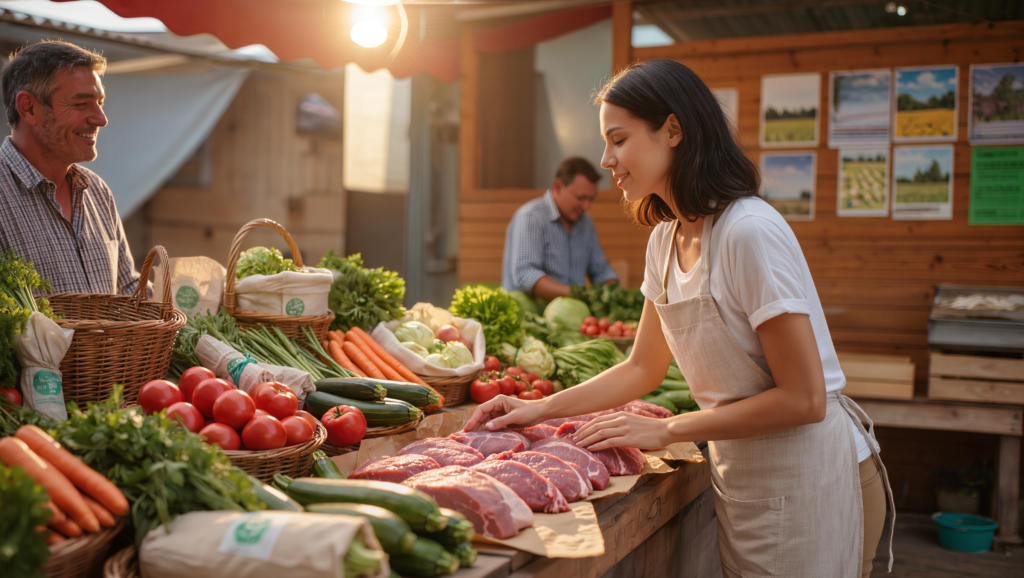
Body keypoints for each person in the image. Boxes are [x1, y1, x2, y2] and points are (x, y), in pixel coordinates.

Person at [466, 59, 893, 578]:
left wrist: (667, 431)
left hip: (811, 478)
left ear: (672, 130)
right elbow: (641, 370)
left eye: (618, 140)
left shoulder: (749, 232)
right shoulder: (664, 242)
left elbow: (803, 399)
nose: (606, 160)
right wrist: (539, 410)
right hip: (745, 481)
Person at [0, 40, 141, 295]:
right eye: (81, 104)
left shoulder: (98, 191)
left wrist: (201, 301)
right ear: (29, 108)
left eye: (100, 102)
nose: (101, 118)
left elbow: (127, 290)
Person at [501, 157, 618, 301]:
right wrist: (577, 294)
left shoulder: (586, 224)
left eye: (591, 199)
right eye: (581, 198)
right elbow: (526, 275)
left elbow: (601, 270)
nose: (586, 207)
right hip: (528, 317)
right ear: (558, 187)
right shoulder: (531, 217)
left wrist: (613, 292)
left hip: (573, 316)